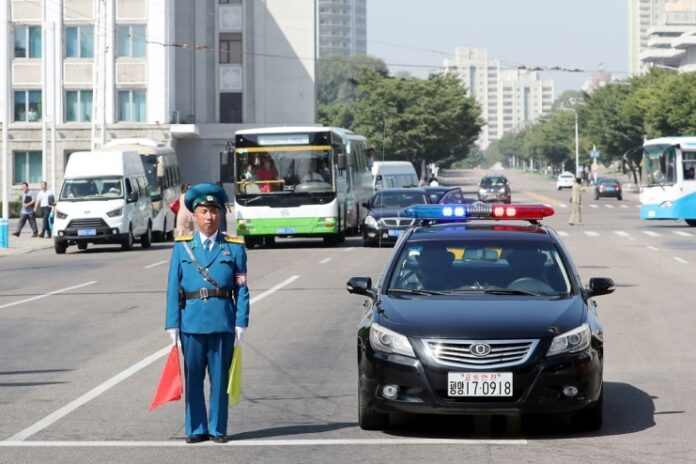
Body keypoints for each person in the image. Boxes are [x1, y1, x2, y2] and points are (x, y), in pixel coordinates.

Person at [165, 183, 250, 444]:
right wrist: (172, 324)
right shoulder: (182, 247)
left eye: (214, 211)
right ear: (194, 215)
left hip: (222, 322)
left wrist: (241, 321)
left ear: (220, 214)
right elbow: (172, 287)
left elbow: (242, 287)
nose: (209, 217)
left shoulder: (234, 248)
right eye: (204, 211)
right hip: (191, 323)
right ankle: (196, 428)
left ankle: (217, 428)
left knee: (220, 379)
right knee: (193, 379)